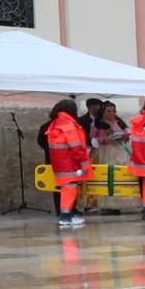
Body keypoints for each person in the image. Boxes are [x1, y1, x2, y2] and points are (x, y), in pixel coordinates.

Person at [41, 98, 91, 230]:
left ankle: (66, 215)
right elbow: (75, 146)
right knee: (69, 190)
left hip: (59, 164)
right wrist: (82, 162)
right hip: (70, 163)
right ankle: (65, 216)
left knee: (65, 189)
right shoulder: (69, 125)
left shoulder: (55, 124)